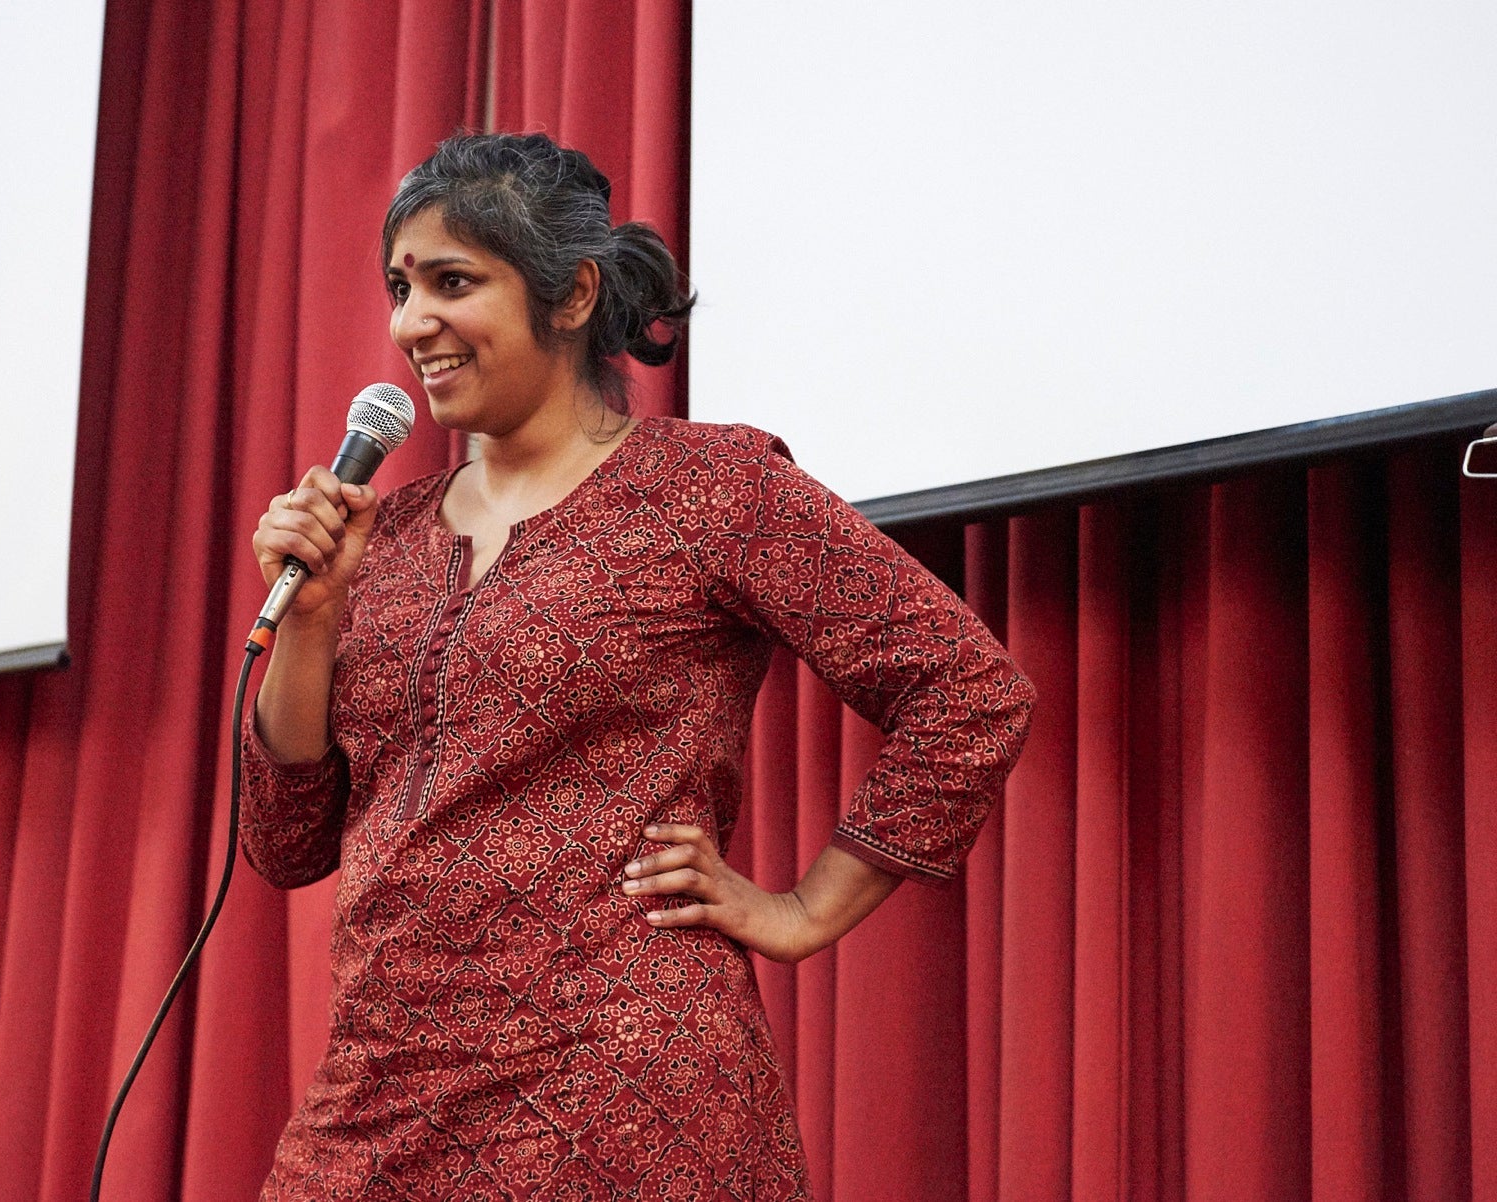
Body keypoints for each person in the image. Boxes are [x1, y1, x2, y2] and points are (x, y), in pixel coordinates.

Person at [242, 131, 1034, 1200]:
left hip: (623, 1099)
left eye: (452, 281)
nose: (410, 321)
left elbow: (966, 688)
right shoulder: (380, 534)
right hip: (381, 1100)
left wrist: (803, 910)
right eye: (400, 285)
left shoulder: (709, 487)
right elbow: (288, 840)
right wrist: (312, 616)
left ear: (569, 296)